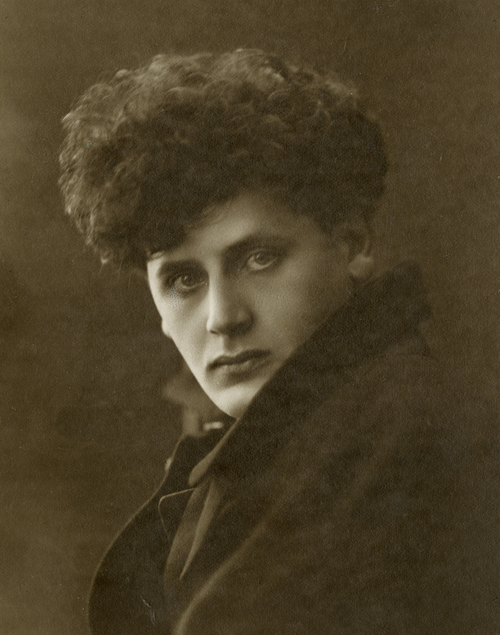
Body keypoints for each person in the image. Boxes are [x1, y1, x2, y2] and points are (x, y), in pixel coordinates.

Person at [59, 49, 499, 635]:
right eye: (183, 280)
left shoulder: (418, 440)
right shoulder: (276, 450)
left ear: (351, 244)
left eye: (259, 258)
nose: (223, 318)